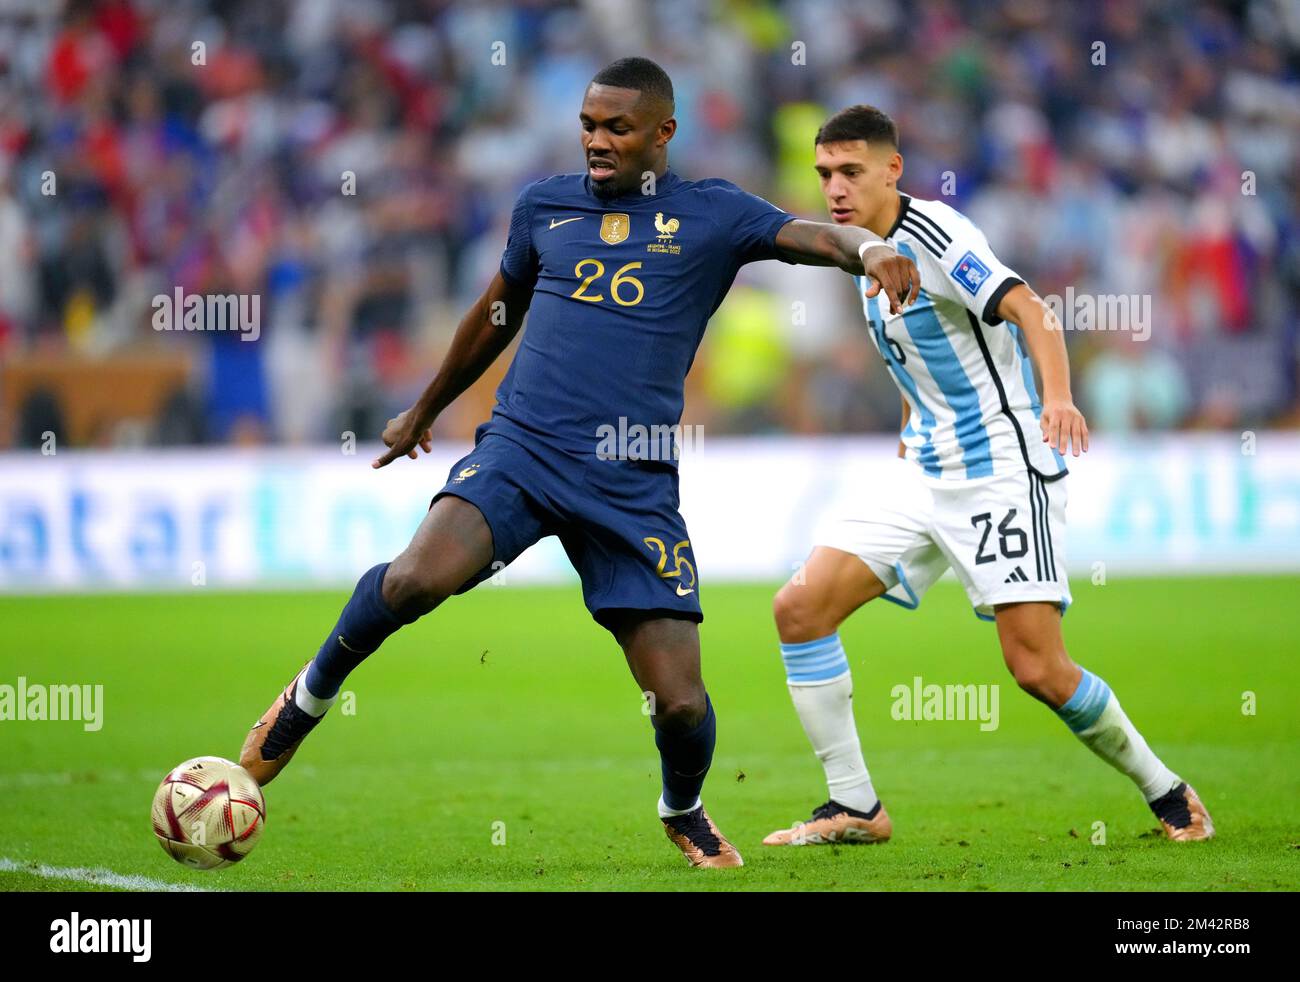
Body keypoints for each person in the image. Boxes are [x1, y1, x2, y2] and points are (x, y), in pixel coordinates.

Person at [238, 61, 920, 869]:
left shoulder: (711, 214)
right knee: (416, 578)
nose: (598, 141)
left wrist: (868, 247)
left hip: (632, 485)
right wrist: (423, 410)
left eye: (617, 129)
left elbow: (812, 236)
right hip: (524, 450)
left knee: (680, 705)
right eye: (590, 126)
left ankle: (683, 808)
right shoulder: (544, 207)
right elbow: (496, 312)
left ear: (663, 134)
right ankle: (305, 700)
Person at [763, 105, 1213, 848]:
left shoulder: (939, 236)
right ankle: (855, 806)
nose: (834, 188)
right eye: (823, 174)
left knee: (1036, 666)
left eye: (849, 172)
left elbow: (1032, 311)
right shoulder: (860, 250)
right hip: (924, 471)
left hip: (999, 470)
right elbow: (922, 354)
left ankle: (1168, 792)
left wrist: (1059, 398)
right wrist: (915, 421)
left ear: (891, 169)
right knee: (800, 610)